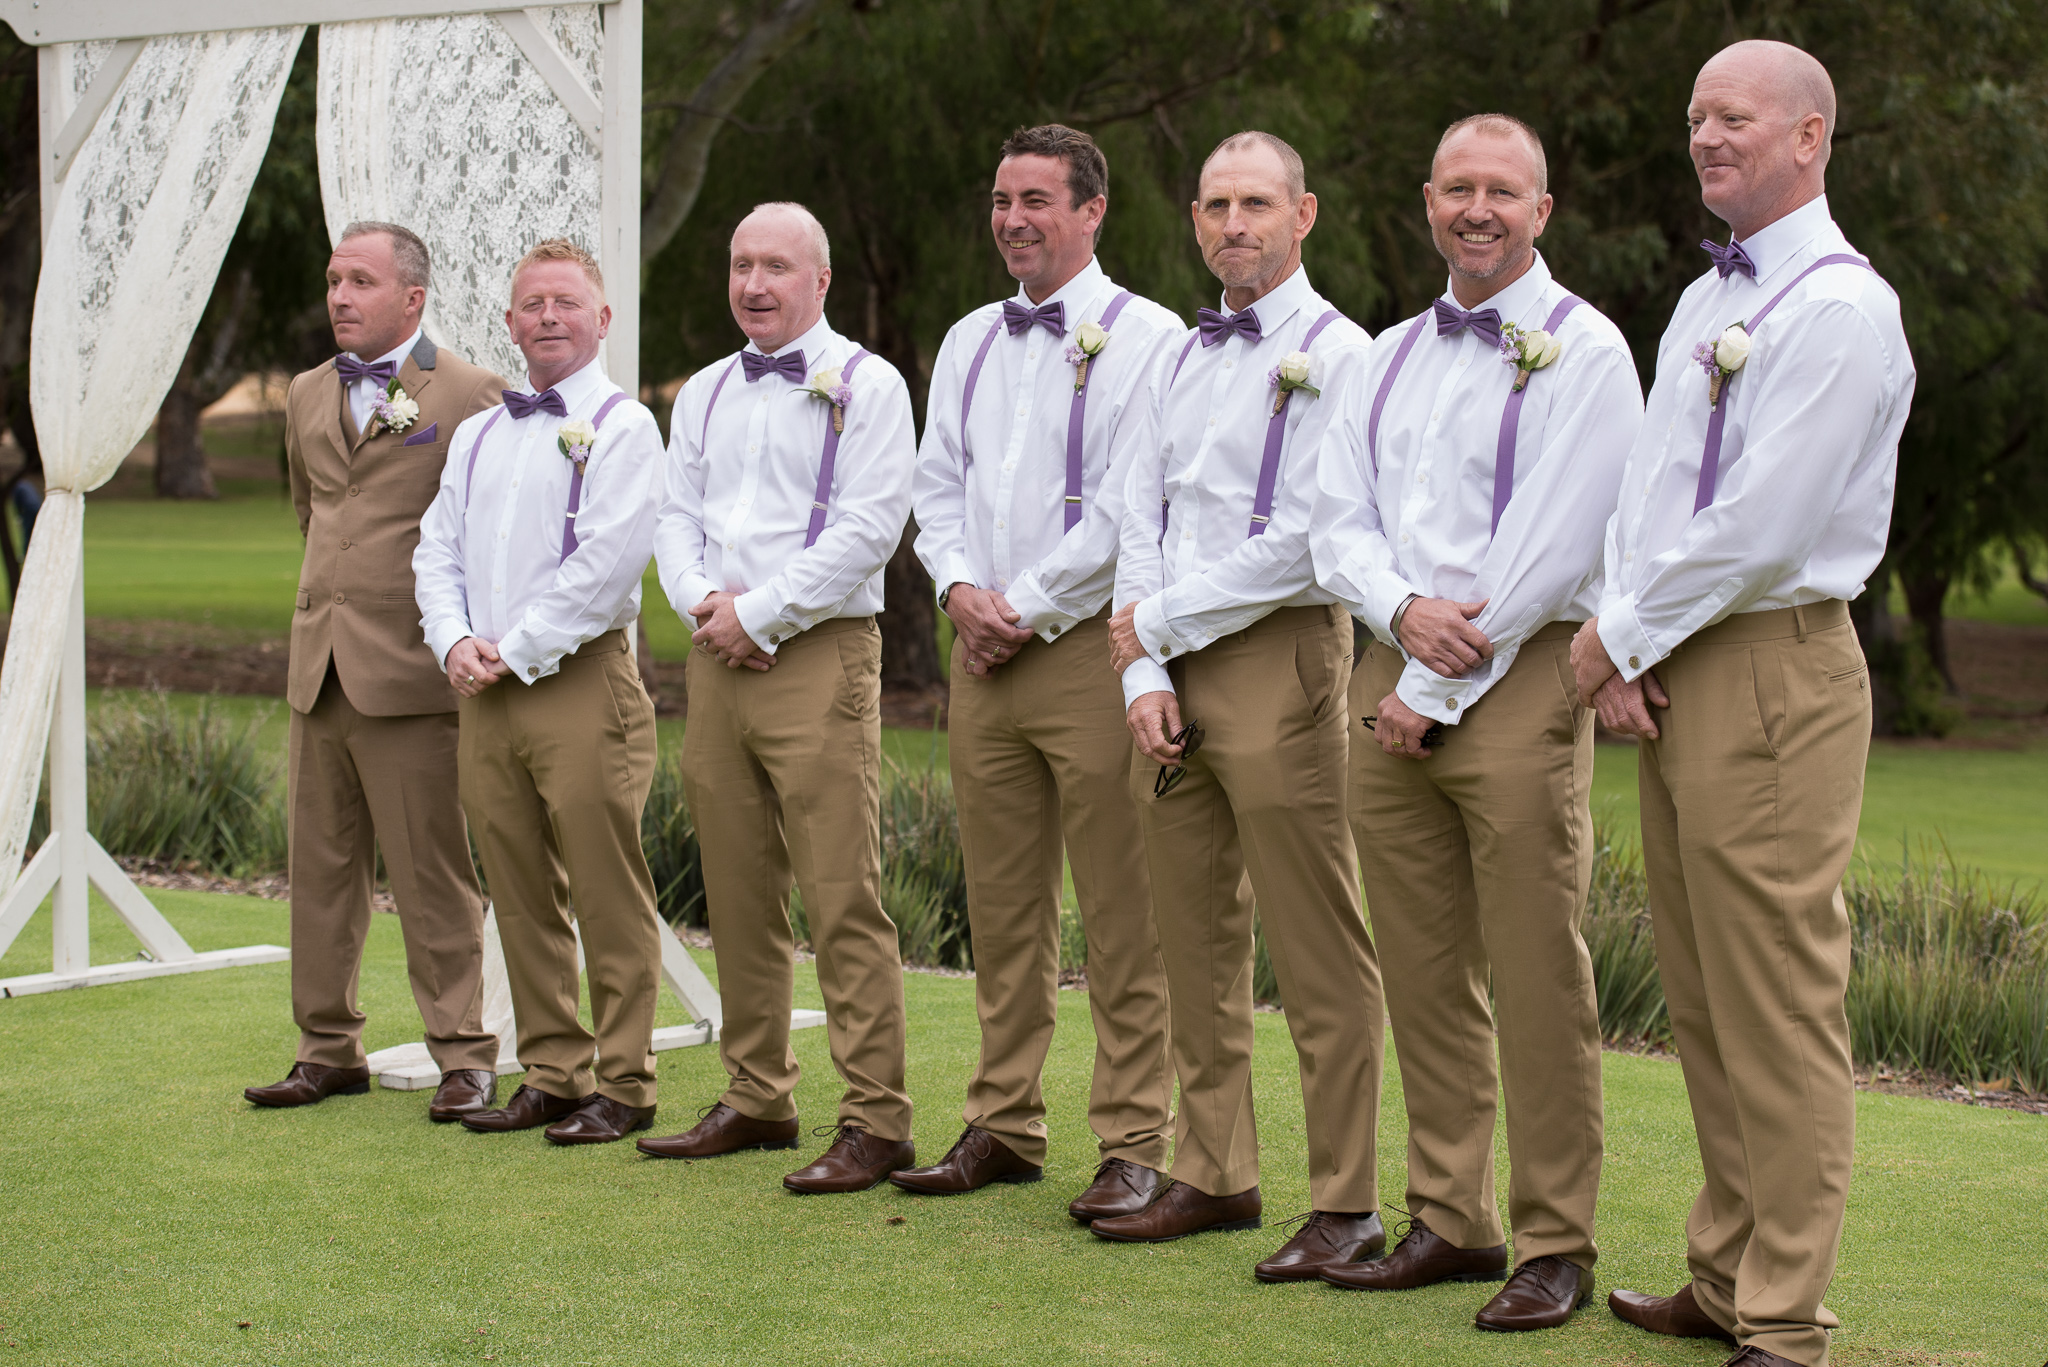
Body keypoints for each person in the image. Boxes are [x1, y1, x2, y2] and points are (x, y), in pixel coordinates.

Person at [1573, 42, 1913, 1367]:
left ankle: (1781, 1313)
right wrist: (1635, 632)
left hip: (1774, 657)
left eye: (1737, 116)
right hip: (1685, 657)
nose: (1708, 135)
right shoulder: (1707, 297)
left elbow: (1765, 524)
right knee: (1707, 991)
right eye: (1697, 115)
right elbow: (1653, 487)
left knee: (1775, 992)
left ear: (1811, 134)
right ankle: (1722, 1273)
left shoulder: (1840, 307)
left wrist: (1610, 634)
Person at [1310, 115, 1643, 1329]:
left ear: (1540, 210)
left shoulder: (1588, 349)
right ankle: (1451, 1214)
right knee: (1420, 967)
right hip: (1390, 676)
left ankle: (1553, 1237)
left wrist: (1429, 681)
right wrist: (1395, 608)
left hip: (1512, 686)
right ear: (1426, 200)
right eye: (1457, 187)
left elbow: (1555, 542)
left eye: (1502, 189)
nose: (1477, 208)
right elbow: (1329, 517)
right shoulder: (1383, 353)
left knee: (1535, 971)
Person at [1092, 131, 1387, 1285]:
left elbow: (1313, 538)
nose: (1231, 224)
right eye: (1214, 204)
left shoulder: (1344, 354)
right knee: (1190, 934)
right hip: (1166, 662)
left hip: (1279, 655)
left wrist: (1158, 625)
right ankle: (1212, 1169)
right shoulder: (1171, 352)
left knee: (1315, 941)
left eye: (1254, 203)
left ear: (1301, 214)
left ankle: (1347, 1200)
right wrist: (1141, 669)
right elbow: (1134, 513)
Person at [890, 125, 1180, 1221]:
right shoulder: (967, 335)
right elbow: (936, 482)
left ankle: (1134, 1137)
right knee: (1001, 906)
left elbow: (1127, 498)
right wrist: (961, 589)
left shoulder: (1147, 336)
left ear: (1091, 210)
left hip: (1091, 651)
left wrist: (1028, 605)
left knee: (1119, 905)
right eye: (1001, 198)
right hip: (982, 653)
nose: (1013, 218)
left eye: (1036, 200)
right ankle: (1002, 1121)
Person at [638, 203, 921, 1195]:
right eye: (739, 264)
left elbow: (871, 524)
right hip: (716, 655)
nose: (753, 284)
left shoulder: (870, 385)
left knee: (841, 891)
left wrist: (760, 612)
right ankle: (756, 1092)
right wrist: (703, 602)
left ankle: (877, 1118)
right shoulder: (704, 392)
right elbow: (673, 515)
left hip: (817, 651)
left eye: (774, 267)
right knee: (738, 889)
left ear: (820, 279)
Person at [246, 222, 506, 1123]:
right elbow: (311, 512)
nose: (340, 296)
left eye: (360, 281)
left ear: (413, 297)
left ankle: (465, 1056)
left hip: (411, 672)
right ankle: (326, 1050)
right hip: (317, 668)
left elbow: (494, 525)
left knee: (432, 872)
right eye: (332, 280)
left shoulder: (470, 390)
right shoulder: (308, 391)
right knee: (318, 870)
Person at [412, 238, 667, 1146]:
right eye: (531, 304)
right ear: (511, 322)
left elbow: (606, 566)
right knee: (517, 886)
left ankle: (627, 1081)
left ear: (601, 319)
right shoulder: (479, 432)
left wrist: (509, 650)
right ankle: (554, 1071)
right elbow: (435, 547)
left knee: (606, 889)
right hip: (482, 685)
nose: (547, 316)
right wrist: (453, 639)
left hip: (580, 682)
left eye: (565, 301)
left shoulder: (627, 427)